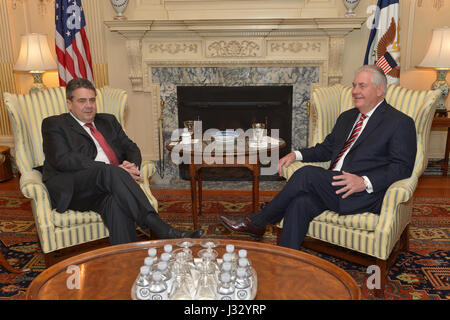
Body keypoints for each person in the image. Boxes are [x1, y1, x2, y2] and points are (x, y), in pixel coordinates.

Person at [220, 65, 417, 250]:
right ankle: (287, 260)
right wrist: (295, 154)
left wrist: (364, 182)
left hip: (360, 193)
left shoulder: (399, 123)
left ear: (380, 90)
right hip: (331, 186)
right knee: (300, 204)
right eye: (354, 85)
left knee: (306, 174)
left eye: (362, 86)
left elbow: (402, 167)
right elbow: (326, 149)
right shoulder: (347, 117)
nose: (355, 91)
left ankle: (258, 221)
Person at [41, 78, 204, 245]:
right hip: (75, 187)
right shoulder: (54, 124)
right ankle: (161, 228)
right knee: (109, 171)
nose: (89, 105)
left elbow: (131, 147)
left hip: (109, 186)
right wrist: (116, 170)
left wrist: (131, 166)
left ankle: (126, 260)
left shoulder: (108, 121)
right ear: (69, 103)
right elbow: (64, 160)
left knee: (115, 204)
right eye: (82, 101)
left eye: (92, 100)